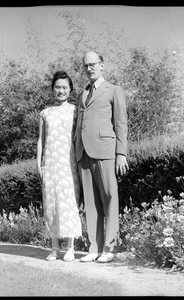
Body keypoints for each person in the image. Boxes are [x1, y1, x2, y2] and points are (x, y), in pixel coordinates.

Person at [74, 51, 129, 263]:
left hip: (106, 151)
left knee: (109, 198)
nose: (89, 68)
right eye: (86, 65)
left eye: (93, 64)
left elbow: (121, 124)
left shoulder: (114, 90)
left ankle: (110, 248)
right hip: (83, 153)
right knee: (91, 203)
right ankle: (94, 248)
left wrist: (121, 153)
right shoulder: (81, 95)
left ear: (102, 65)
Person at [37, 71, 82, 262]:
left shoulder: (75, 110)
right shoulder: (44, 113)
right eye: (57, 87)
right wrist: (38, 163)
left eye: (64, 87)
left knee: (69, 202)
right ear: (52, 89)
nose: (61, 90)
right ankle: (54, 247)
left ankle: (70, 247)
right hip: (50, 164)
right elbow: (41, 140)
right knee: (51, 204)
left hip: (69, 163)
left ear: (70, 89)